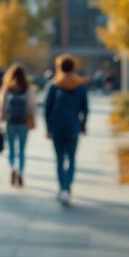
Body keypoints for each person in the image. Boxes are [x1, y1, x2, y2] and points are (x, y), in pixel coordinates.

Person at [44, 54, 88, 206]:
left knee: (60, 159)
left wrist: (48, 128)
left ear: (59, 67)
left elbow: (47, 109)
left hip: (57, 127)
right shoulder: (80, 85)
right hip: (73, 126)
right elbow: (85, 109)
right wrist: (83, 125)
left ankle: (62, 187)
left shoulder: (54, 85)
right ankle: (68, 187)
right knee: (72, 158)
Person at [0, 63, 37, 187]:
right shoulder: (27, 87)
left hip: (10, 122)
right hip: (23, 122)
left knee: (11, 150)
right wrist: (31, 118)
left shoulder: (7, 87)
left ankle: (12, 169)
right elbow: (31, 106)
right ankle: (20, 171)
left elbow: (2, 105)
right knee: (22, 150)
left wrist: (1, 120)